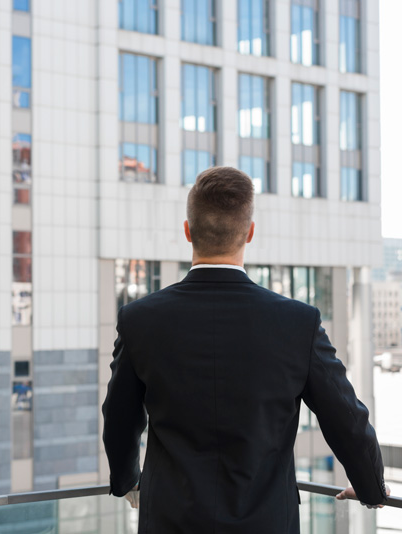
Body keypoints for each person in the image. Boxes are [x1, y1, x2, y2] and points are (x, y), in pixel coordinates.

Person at [101, 167, 389, 533]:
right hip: (267, 522)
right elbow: (346, 419)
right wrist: (371, 487)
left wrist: (127, 481)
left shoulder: (139, 319)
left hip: (170, 520)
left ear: (188, 231)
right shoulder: (298, 322)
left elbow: (119, 417)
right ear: (249, 233)